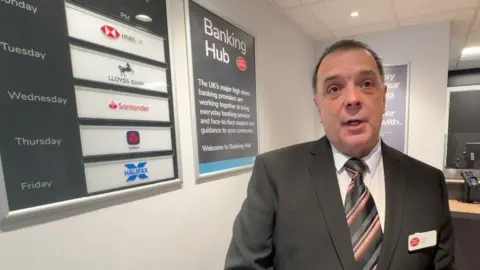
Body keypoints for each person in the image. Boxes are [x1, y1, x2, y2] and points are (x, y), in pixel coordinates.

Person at [224, 39, 455, 270]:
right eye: (334, 89)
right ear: (319, 108)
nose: (353, 99)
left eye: (366, 84)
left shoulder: (429, 183)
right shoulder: (275, 174)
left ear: (383, 98)